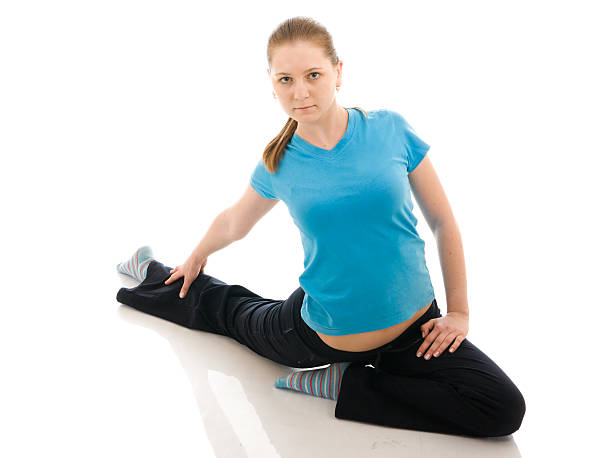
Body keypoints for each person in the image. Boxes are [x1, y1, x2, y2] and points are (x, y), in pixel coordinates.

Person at [116, 16, 526, 437]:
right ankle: (152, 273)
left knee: (502, 408)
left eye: (313, 75)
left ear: (338, 72)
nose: (301, 91)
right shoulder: (280, 162)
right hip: (319, 332)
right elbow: (235, 222)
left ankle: (345, 383)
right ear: (272, 85)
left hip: (415, 331)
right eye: (286, 79)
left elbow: (442, 220)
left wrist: (459, 312)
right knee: (232, 312)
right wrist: (197, 254)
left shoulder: (390, 129)